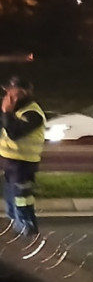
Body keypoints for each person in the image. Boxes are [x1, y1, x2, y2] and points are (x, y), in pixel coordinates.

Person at [0, 77, 45, 235]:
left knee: (22, 200)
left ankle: (28, 231)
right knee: (12, 201)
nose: (7, 95)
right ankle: (19, 232)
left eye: (11, 91)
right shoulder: (16, 111)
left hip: (23, 165)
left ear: (22, 93)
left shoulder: (32, 113)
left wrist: (7, 112)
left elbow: (14, 133)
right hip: (10, 164)